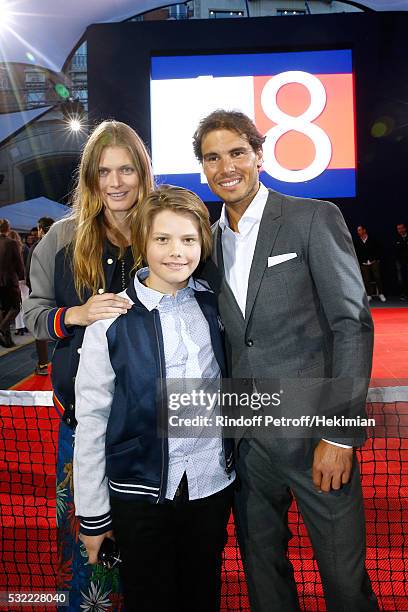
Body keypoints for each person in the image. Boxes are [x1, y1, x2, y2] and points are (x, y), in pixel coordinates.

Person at [193, 110, 378, 611]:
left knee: (344, 583)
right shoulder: (204, 242)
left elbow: (351, 324)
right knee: (263, 575)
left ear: (259, 154)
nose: (225, 166)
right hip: (248, 445)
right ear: (202, 168)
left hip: (316, 436)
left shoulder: (312, 218)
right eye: (212, 157)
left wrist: (339, 434)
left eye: (236, 152)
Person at [73, 185, 234, 612]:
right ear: (143, 241)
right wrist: (92, 516)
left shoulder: (216, 307)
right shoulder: (110, 322)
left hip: (211, 489)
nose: (176, 251)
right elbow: (91, 421)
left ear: (203, 242)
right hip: (139, 496)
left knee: (203, 597)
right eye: (162, 239)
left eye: (188, 239)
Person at [23, 120, 154, 611]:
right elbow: (33, 315)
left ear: (143, 174)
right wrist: (75, 314)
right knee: (89, 556)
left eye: (126, 170)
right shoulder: (60, 237)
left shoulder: (161, 231)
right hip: (83, 427)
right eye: (104, 171)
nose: (116, 182)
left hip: (153, 428)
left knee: (147, 555)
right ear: (90, 178)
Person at [25, 216, 55, 374]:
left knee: (41, 327)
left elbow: (29, 272)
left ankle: (43, 364)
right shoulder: (63, 244)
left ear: (41, 229)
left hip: (42, 295)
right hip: (62, 295)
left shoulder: (37, 246)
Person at [0, 218, 24, 348]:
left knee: (4, 310)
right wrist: (22, 277)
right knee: (15, 307)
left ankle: (7, 341)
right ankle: (2, 328)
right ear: (7, 228)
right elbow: (19, 263)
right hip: (9, 282)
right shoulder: (11, 243)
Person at [355, 225, 386, 302]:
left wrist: (376, 259)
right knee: (366, 279)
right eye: (358, 230)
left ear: (364, 230)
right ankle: (369, 295)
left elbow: (379, 249)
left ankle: (381, 293)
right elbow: (357, 253)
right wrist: (361, 262)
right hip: (364, 263)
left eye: (360, 230)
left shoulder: (372, 239)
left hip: (373, 261)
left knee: (377, 277)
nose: (358, 232)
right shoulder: (357, 241)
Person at [8, 229, 29, 336]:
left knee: (17, 305)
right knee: (25, 303)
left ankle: (20, 327)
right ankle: (27, 325)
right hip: (24, 279)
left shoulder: (8, 248)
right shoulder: (24, 248)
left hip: (13, 280)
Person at [395, 222, 408, 300]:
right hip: (400, 261)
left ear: (405, 228)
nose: (400, 230)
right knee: (401, 279)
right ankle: (403, 294)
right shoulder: (396, 239)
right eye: (398, 229)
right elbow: (396, 251)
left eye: (401, 228)